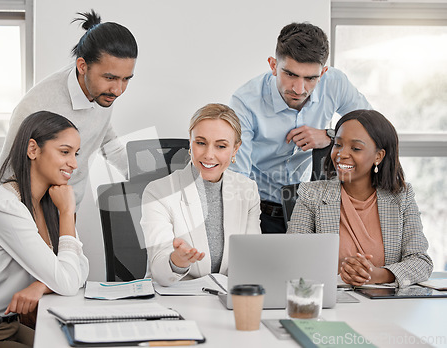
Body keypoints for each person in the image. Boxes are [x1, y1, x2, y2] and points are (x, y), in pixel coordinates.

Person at [0, 111, 89, 347]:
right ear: (33, 149)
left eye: (75, 154)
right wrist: (67, 213)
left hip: (8, 323)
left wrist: (41, 285)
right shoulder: (6, 208)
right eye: (65, 152)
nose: (74, 163)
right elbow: (67, 281)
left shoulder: (51, 201)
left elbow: (80, 267)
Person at [229, 22, 371, 234]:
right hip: (261, 211)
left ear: (323, 72)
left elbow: (371, 125)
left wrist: (330, 136)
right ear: (273, 65)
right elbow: (237, 176)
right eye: (290, 74)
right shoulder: (245, 102)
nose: (299, 89)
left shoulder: (335, 83)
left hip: (313, 208)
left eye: (310, 78)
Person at [0, 9, 138, 208]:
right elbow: (7, 174)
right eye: (110, 78)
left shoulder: (104, 94)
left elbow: (108, 142)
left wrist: (151, 180)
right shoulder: (36, 106)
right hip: (30, 212)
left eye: (126, 79)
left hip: (68, 207)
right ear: (82, 66)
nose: (118, 90)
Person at [287, 109, 433, 288]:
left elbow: (421, 261)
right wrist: (342, 270)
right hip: (330, 301)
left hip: (386, 305)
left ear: (378, 156)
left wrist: (377, 274)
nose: (342, 154)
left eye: (355, 148)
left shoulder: (402, 196)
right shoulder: (311, 194)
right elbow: (293, 258)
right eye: (338, 145)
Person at [141, 103, 261, 286]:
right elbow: (159, 272)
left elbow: (252, 257)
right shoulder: (158, 192)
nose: (209, 155)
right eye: (201, 143)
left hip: (225, 300)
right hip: (174, 298)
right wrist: (178, 261)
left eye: (221, 146)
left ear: (235, 149)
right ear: (190, 142)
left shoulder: (248, 190)